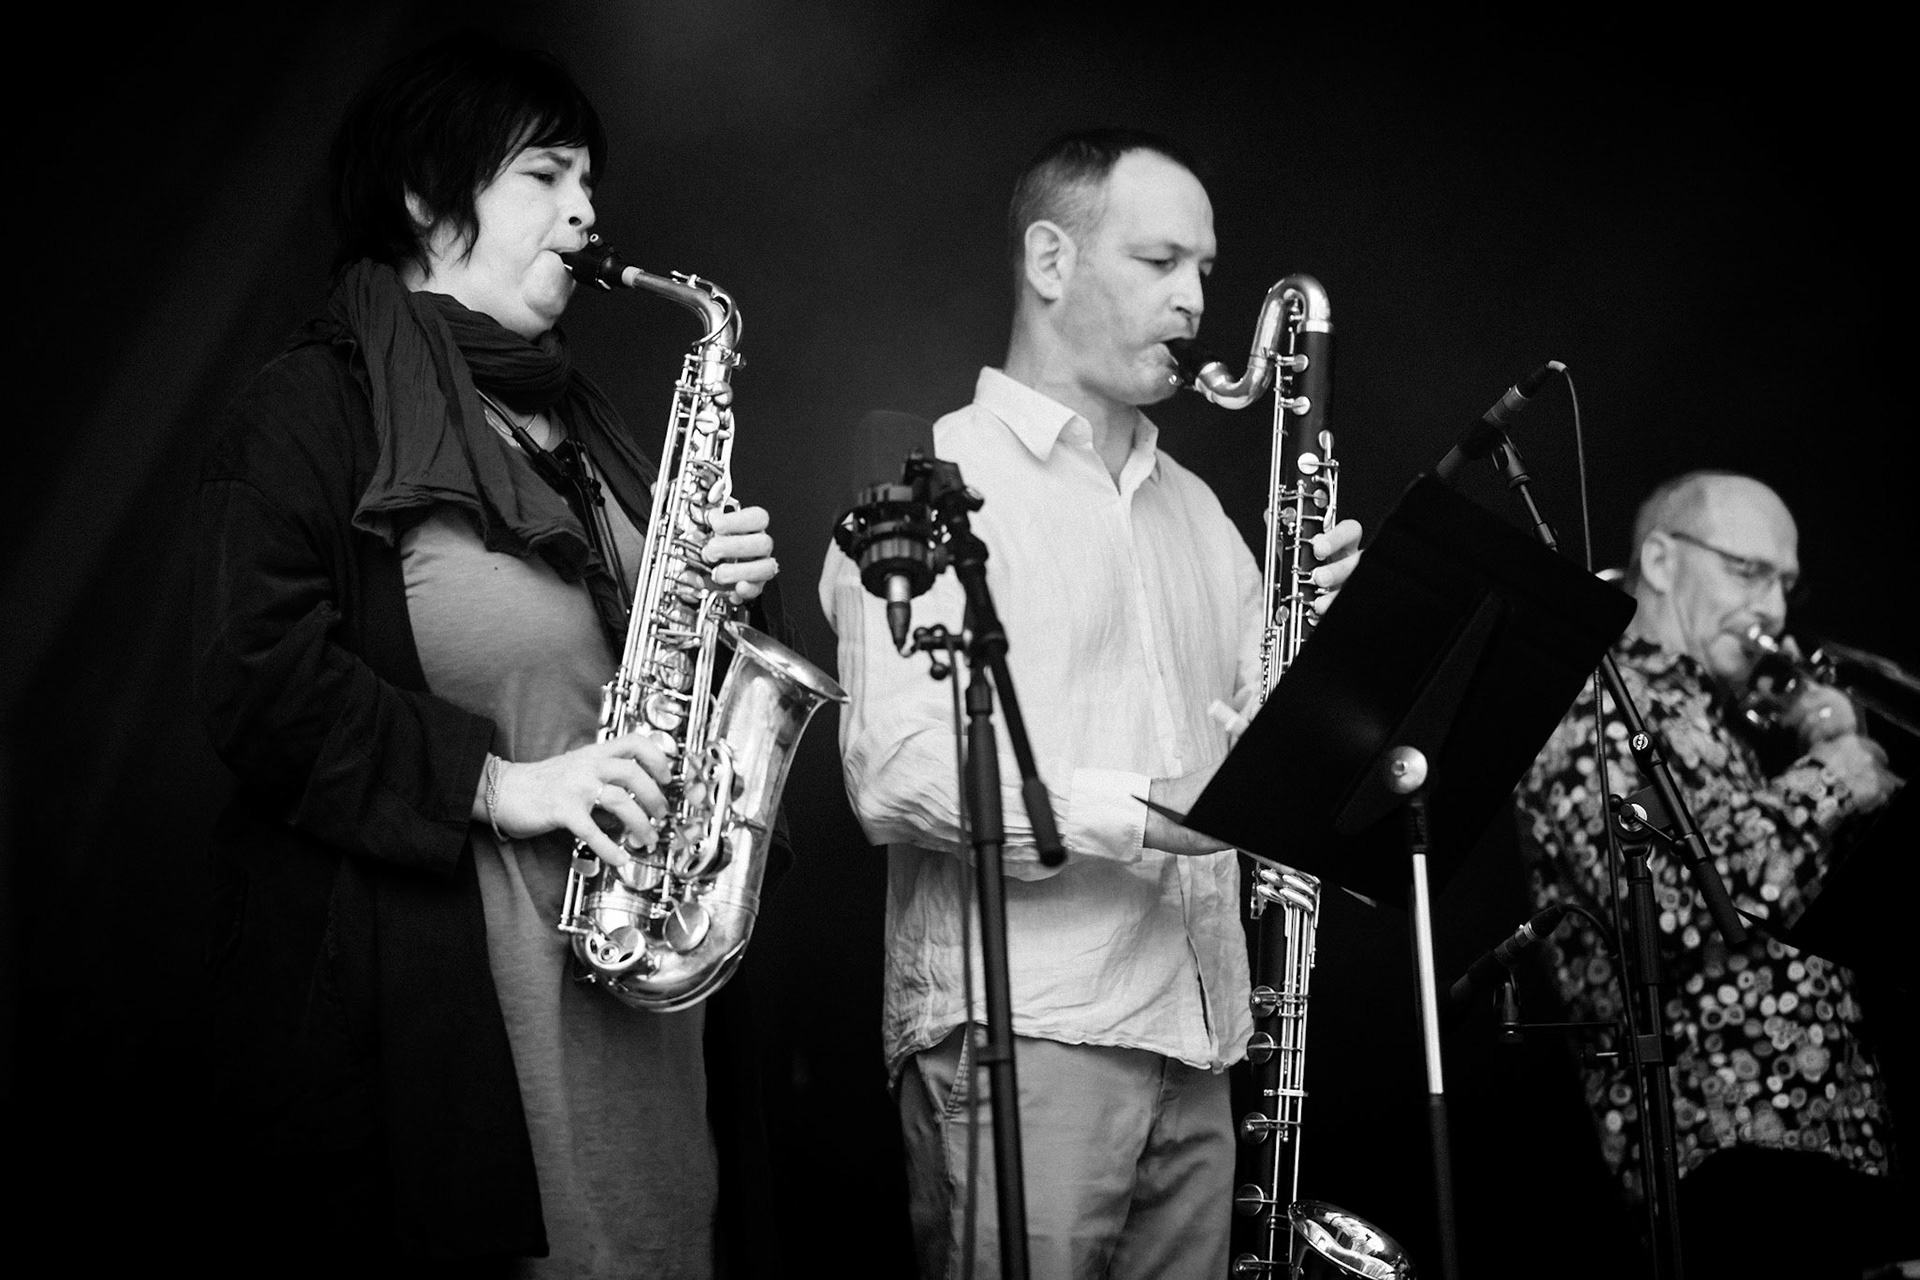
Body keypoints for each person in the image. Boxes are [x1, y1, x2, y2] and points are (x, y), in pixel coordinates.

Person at [192, 34, 780, 1274]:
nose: (586, 213)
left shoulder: (587, 421)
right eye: (545, 175)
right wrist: (507, 785)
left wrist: (730, 608)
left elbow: (661, 692)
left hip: (635, 994)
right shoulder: (310, 409)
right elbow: (258, 683)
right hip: (456, 1014)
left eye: (590, 183)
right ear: (425, 195)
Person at [819, 129, 1362, 1279]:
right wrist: (1150, 811)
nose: (1195, 299)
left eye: (1206, 270)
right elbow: (895, 771)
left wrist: (1331, 646)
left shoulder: (1209, 518)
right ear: (1051, 260)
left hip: (1201, 1043)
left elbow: (1272, 767)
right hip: (1025, 1035)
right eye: (1162, 261)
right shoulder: (929, 479)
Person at [1515, 471, 1912, 1278]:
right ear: (1661, 561)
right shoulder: (1596, 699)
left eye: (1785, 585)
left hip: (1816, 1152)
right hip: (1726, 1161)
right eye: (1747, 571)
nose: (1773, 610)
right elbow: (1670, 908)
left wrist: (1825, 755)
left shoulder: (1706, 712)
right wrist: (1834, 776)